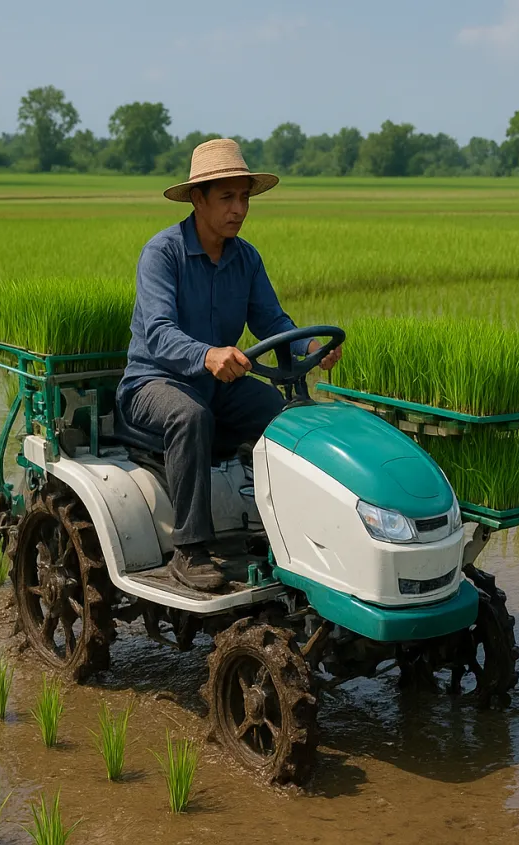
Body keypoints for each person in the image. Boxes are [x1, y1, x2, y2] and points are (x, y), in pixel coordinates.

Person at [116, 138, 341, 592]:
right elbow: (158, 333)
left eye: (244, 197)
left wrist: (311, 346)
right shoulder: (162, 254)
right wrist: (206, 354)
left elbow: (271, 320)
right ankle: (190, 550)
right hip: (154, 384)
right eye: (226, 198)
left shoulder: (246, 258)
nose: (239, 209)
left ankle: (288, 532)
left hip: (219, 384)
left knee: (285, 416)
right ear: (198, 199)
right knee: (189, 415)